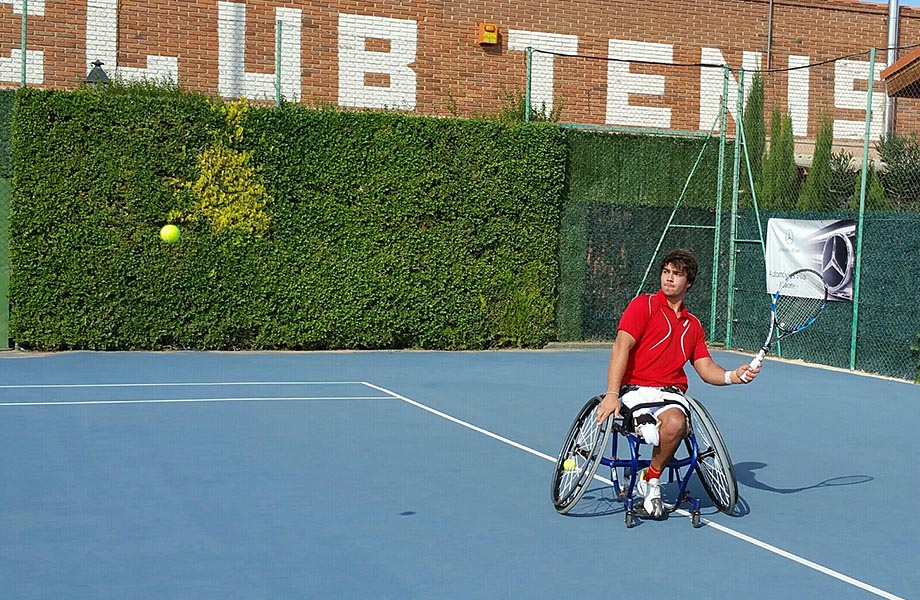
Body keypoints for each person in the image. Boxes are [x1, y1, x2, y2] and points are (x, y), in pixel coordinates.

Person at [595, 248, 759, 519]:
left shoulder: (693, 326)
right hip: (635, 391)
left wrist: (734, 376)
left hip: (669, 396)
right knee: (648, 432)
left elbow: (706, 369)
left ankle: (651, 478)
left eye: (677, 274)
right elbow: (621, 348)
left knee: (676, 424)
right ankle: (646, 443)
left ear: (689, 283)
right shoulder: (642, 305)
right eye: (666, 272)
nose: (669, 279)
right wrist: (612, 393)